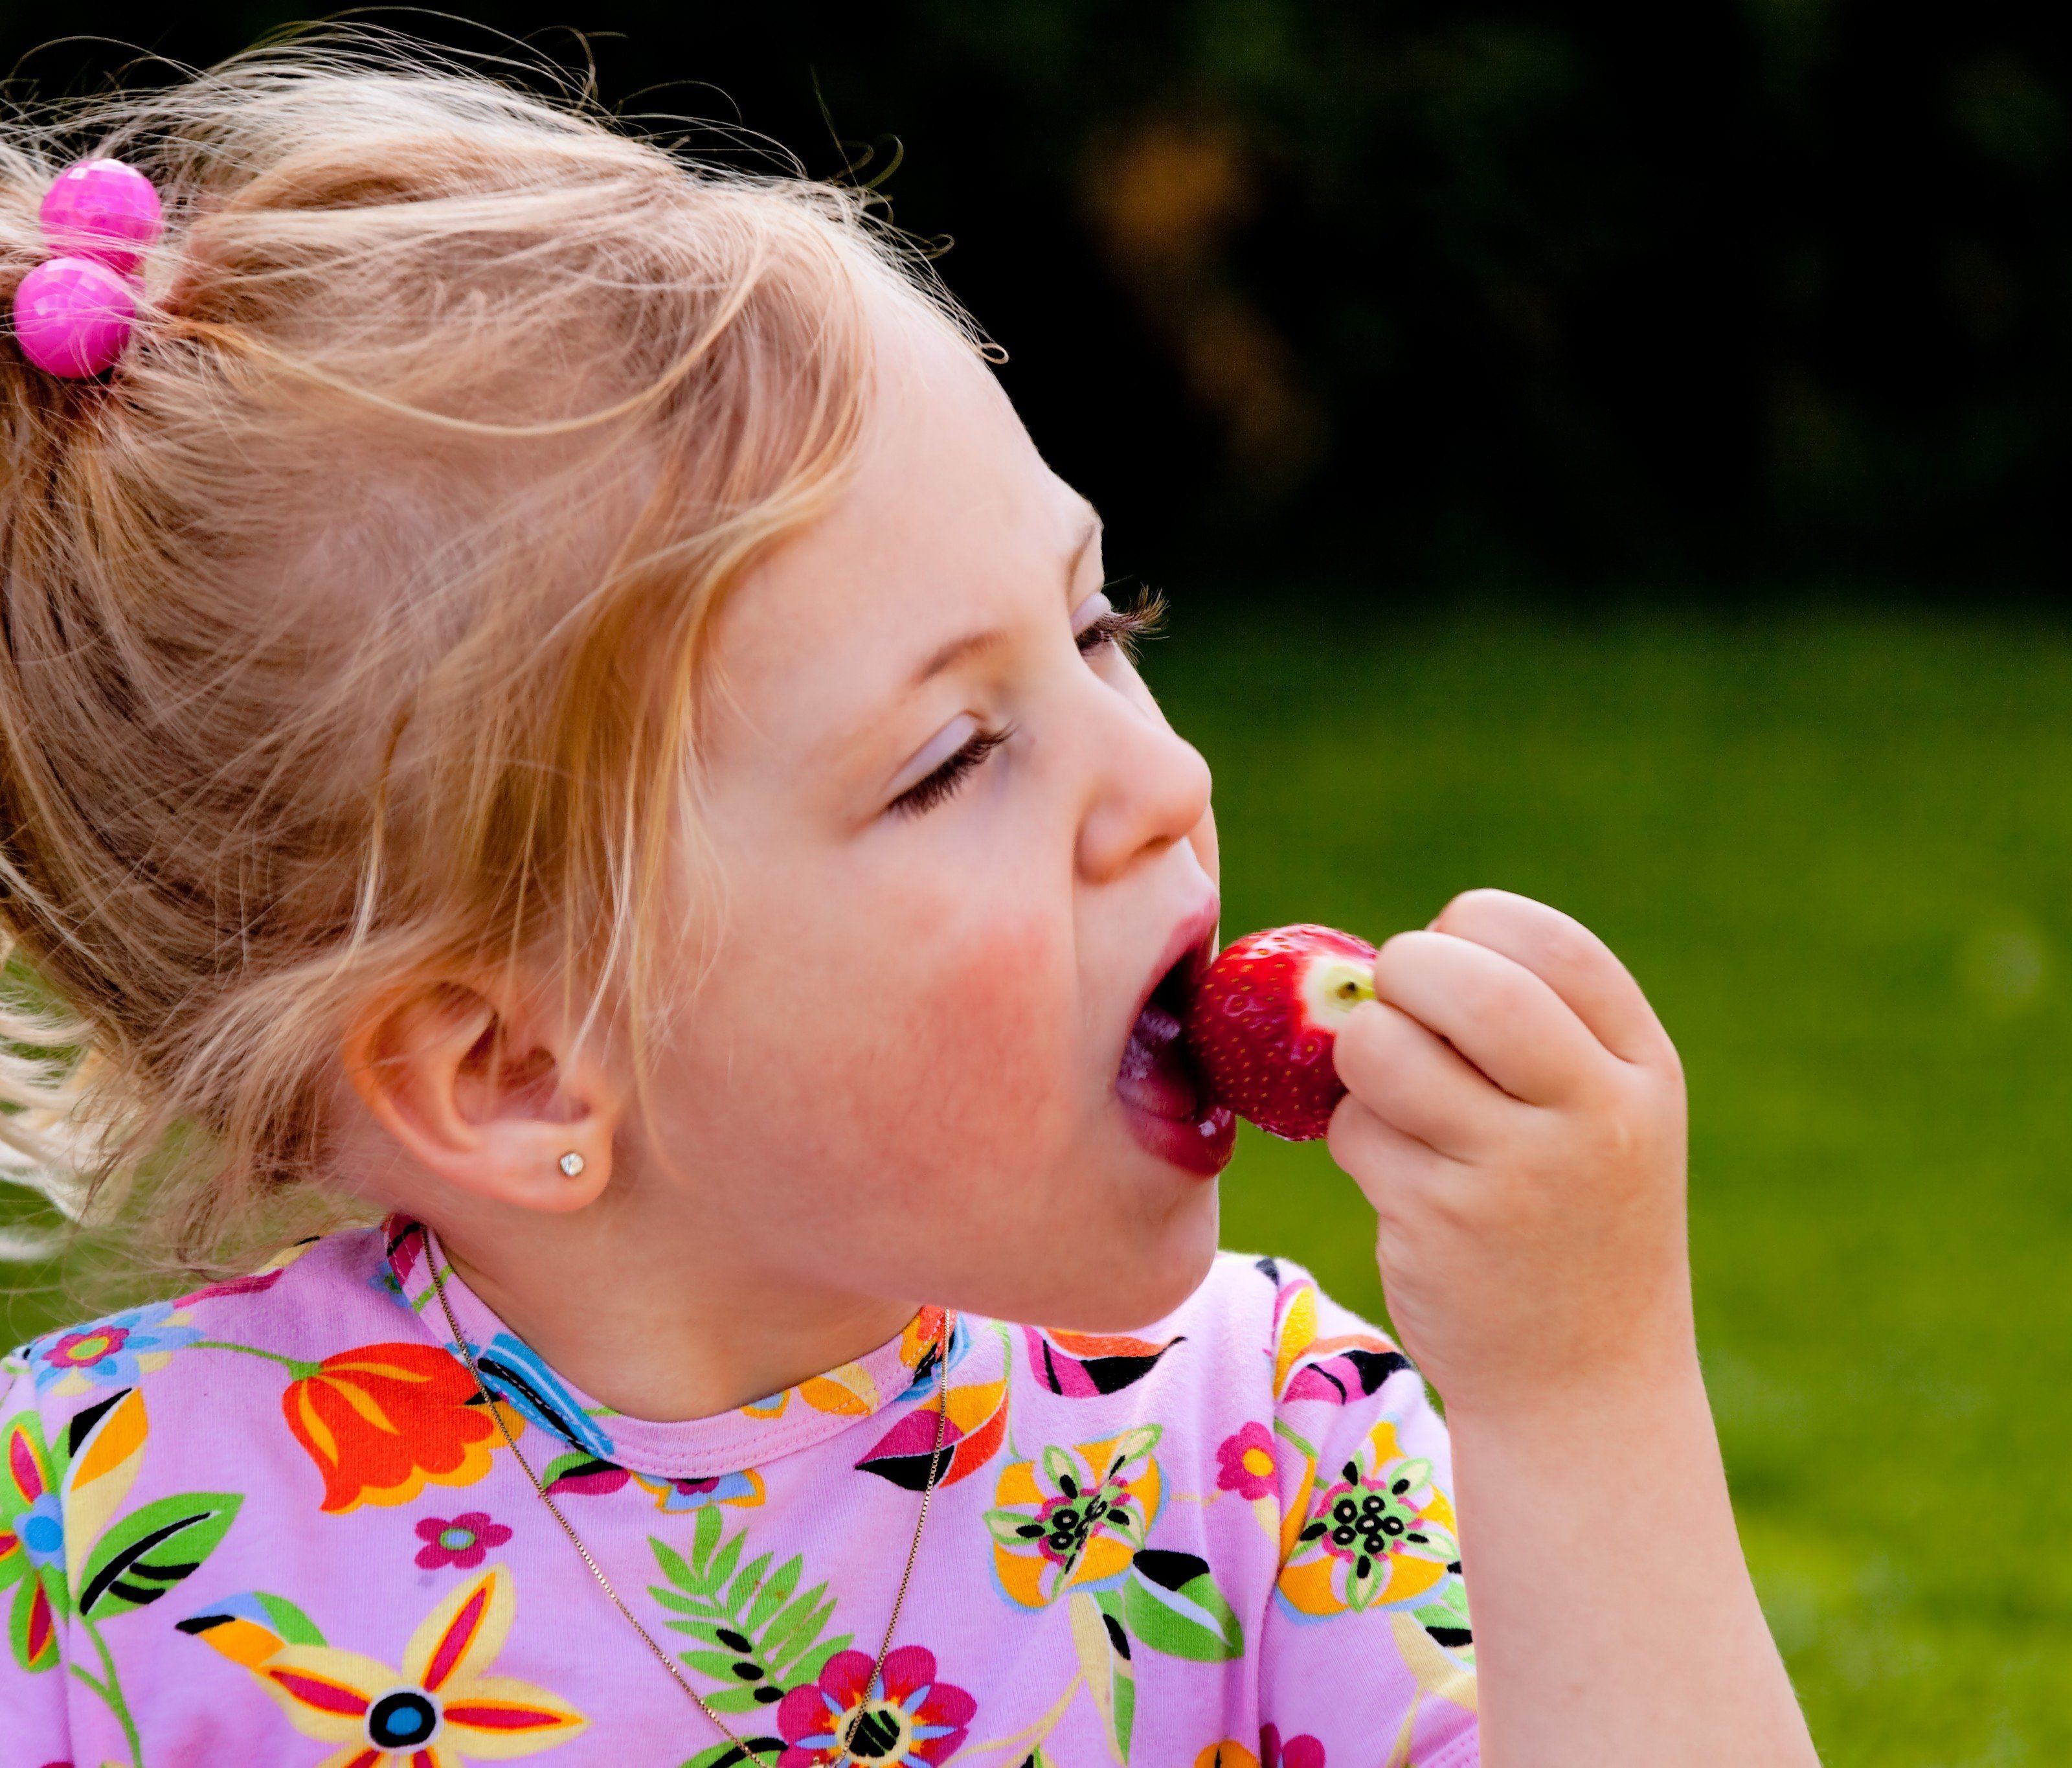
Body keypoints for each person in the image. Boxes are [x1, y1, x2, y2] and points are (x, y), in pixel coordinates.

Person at [0, 32, 1817, 1768]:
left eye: (1101, 626)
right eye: (954, 756)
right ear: (516, 1070)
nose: (1163, 781)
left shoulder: (1262, 1460)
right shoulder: (98, 1549)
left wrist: (1582, 1406)